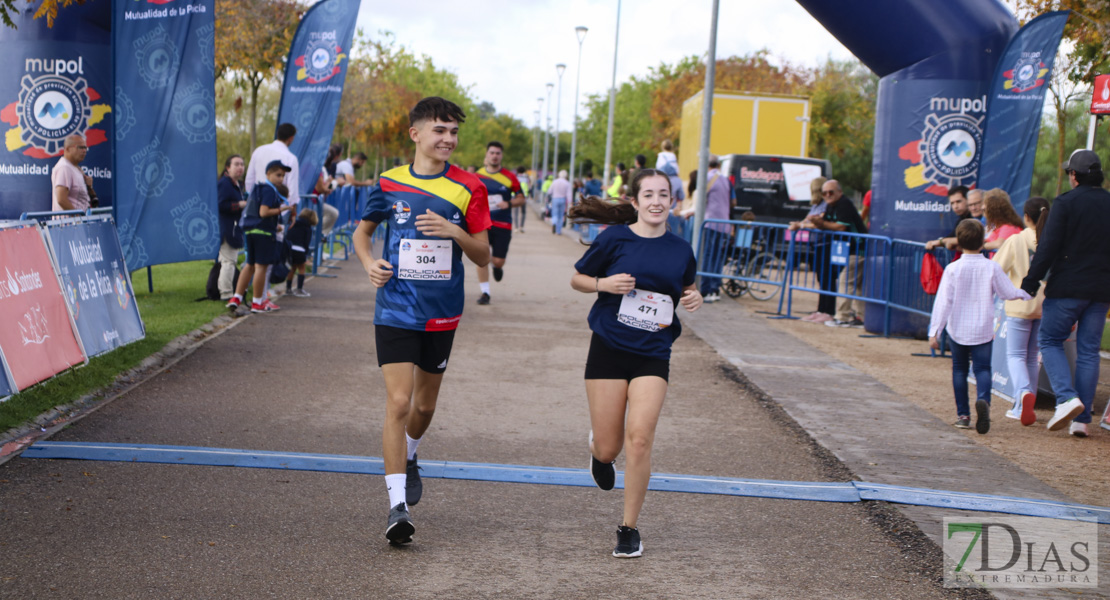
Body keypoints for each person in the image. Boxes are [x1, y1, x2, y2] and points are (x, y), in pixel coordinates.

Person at [351, 97, 491, 545]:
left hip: (441, 312)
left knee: (424, 407)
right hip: (394, 307)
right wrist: (369, 263)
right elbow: (362, 232)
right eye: (439, 130)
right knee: (398, 402)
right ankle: (397, 507)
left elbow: (484, 254)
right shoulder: (390, 182)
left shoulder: (470, 187)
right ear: (415, 134)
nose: (448, 139)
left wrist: (456, 233)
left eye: (453, 132)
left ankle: (411, 453)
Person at [567, 168, 702, 558]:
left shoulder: (681, 249)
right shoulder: (615, 239)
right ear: (635, 201)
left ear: (672, 202)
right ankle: (598, 452)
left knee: (639, 439)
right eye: (649, 194)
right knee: (611, 448)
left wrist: (695, 298)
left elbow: (688, 288)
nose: (657, 201)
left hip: (653, 352)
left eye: (664, 194)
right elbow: (577, 278)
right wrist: (603, 285)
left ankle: (628, 528)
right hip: (609, 347)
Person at [1021, 149, 1110, 437]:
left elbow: (1048, 246)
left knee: (1049, 339)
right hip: (1101, 289)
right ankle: (1081, 420)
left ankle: (1066, 398)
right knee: (1088, 352)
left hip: (1068, 287)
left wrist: (1031, 282)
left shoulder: (1066, 202)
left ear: (1073, 175)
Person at [929, 219, 1031, 434]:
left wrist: (935, 331)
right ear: (983, 242)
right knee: (983, 369)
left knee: (959, 370)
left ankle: (963, 415)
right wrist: (1025, 293)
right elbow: (1007, 293)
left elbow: (943, 302)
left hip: (957, 329)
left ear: (960, 242)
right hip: (983, 328)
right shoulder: (991, 267)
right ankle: (983, 400)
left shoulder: (952, 269)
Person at [992, 196, 1050, 426]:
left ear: (1026, 217)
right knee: (1031, 357)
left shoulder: (1016, 240)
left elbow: (996, 269)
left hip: (1019, 306)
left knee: (1015, 355)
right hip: (1044, 307)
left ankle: (1023, 394)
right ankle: (1022, 404)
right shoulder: (1053, 239)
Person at [231, 160, 296, 313]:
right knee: (261, 267)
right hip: (264, 233)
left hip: (250, 230)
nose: (281, 179)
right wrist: (282, 209)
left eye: (283, 176)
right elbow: (264, 212)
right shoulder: (269, 190)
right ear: (268, 174)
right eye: (278, 175)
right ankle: (257, 302)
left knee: (249, 265)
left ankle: (237, 297)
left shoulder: (259, 187)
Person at [475, 141, 524, 305]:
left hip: (503, 224)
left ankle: (497, 267)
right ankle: (485, 293)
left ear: (501, 156)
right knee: (482, 258)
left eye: (498, 153)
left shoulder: (510, 177)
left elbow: (521, 198)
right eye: (492, 153)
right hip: (482, 224)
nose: (495, 156)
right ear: (486, 155)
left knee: (497, 260)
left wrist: (508, 203)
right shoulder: (477, 175)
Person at [823, 180, 868, 328]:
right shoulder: (831, 206)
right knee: (857, 285)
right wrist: (803, 224)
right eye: (824, 193)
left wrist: (819, 223)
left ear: (839, 192)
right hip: (849, 250)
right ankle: (862, 318)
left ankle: (842, 316)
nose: (828, 195)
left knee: (845, 281)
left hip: (858, 248)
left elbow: (840, 227)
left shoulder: (844, 204)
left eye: (831, 192)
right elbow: (822, 221)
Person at [789, 176, 828, 322]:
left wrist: (802, 225)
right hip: (816, 245)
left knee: (826, 279)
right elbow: (807, 219)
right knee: (820, 278)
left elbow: (819, 223)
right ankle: (820, 309)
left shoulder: (825, 205)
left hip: (825, 244)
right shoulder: (816, 205)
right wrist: (800, 224)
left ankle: (826, 310)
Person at [698, 156, 733, 303]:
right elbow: (733, 200)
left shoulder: (706, 178)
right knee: (717, 256)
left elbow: (700, 199)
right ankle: (715, 288)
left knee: (707, 255)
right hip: (723, 222)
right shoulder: (725, 180)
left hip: (710, 221)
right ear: (719, 165)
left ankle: (705, 290)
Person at [216, 155, 247, 300]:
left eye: (242, 164)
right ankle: (226, 293)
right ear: (228, 167)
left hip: (233, 228)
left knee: (227, 261)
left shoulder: (236, 184)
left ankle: (226, 290)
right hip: (227, 228)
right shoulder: (225, 184)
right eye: (236, 164)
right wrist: (239, 205)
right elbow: (219, 205)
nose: (240, 167)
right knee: (229, 262)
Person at [52, 134, 93, 212]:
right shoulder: (64, 167)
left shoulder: (75, 168)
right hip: (70, 223)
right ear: (67, 149)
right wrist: (79, 217)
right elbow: (61, 200)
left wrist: (89, 187)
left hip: (79, 222)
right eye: (80, 147)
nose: (84, 151)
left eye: (85, 148)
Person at [925, 186, 973, 251]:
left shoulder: (975, 218)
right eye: (952, 203)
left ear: (968, 200)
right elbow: (953, 236)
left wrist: (940, 242)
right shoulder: (961, 220)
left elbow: (967, 239)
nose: (955, 206)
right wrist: (935, 242)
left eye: (958, 201)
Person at [284, 207, 318, 297]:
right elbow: (306, 242)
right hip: (300, 249)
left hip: (290, 248)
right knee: (301, 268)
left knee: (292, 268)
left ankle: (288, 288)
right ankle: (299, 289)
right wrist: (306, 254)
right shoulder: (308, 228)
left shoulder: (294, 223)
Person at [549, 169, 571, 235]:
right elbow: (569, 194)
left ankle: (554, 223)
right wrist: (570, 202)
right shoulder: (567, 183)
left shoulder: (555, 181)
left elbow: (549, 191)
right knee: (561, 215)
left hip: (555, 198)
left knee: (554, 214)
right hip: (563, 199)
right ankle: (558, 231)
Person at [514, 166, 530, 232]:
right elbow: (529, 187)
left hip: (515, 196)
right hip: (524, 196)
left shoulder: (515, 177)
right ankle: (522, 227)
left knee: (516, 213)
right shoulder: (526, 178)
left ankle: (516, 227)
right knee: (523, 212)